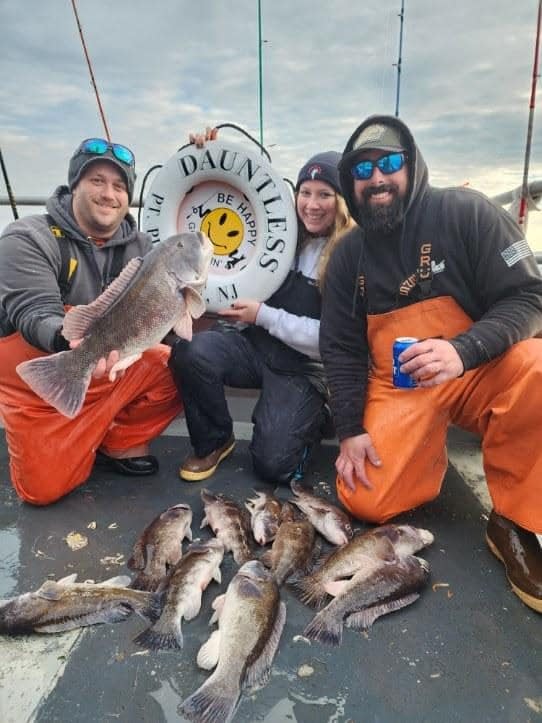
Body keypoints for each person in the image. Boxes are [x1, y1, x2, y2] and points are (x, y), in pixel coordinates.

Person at [319, 114, 542, 612]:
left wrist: (461, 352)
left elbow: (528, 298)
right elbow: (340, 346)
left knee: (538, 366)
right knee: (365, 501)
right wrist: (351, 428)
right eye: (363, 169)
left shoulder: (468, 213)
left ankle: (513, 520)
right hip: (400, 389)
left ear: (412, 167)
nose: (377, 178)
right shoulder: (347, 255)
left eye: (390, 163)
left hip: (477, 370)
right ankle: (425, 453)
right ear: (350, 184)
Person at [0, 138, 183, 505]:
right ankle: (78, 438)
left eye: (119, 186)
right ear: (74, 186)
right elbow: (33, 312)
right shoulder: (27, 238)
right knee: (43, 492)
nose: (109, 194)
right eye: (97, 181)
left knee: (183, 367)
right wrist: (71, 346)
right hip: (46, 376)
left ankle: (116, 442)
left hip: (111, 368)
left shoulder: (143, 248)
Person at [169, 131, 355, 483]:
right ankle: (214, 440)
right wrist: (209, 148)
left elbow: (332, 341)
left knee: (274, 466)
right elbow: (231, 201)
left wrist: (264, 316)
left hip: (304, 368)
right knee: (190, 350)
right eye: (305, 192)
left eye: (325, 195)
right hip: (255, 346)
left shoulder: (352, 256)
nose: (311, 204)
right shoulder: (277, 232)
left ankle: (314, 418)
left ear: (342, 201)